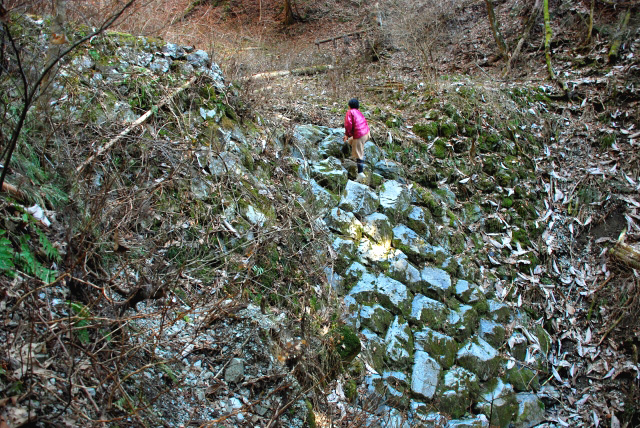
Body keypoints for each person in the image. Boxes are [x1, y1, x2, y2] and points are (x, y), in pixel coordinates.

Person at [343, 98, 370, 183]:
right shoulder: (359, 112)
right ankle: (352, 155)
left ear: (349, 106)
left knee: (359, 153)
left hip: (359, 135)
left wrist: (347, 134)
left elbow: (348, 125)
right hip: (366, 133)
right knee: (351, 142)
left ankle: (360, 173)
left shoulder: (350, 112)